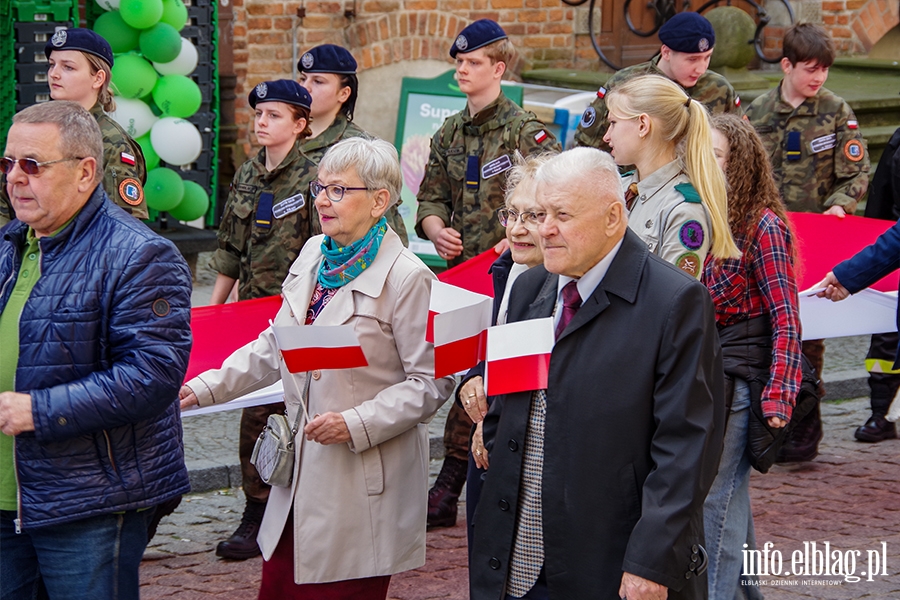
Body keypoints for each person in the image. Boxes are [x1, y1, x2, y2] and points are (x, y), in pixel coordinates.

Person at [180, 137, 455, 599]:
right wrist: (206, 388)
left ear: (380, 201)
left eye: (339, 190)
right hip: (300, 475)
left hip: (361, 478)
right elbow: (278, 343)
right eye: (319, 188)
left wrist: (355, 422)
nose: (323, 200)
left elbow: (432, 381)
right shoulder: (314, 252)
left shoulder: (408, 277)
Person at [470, 147, 725, 600]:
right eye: (541, 212)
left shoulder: (674, 302)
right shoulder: (530, 288)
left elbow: (687, 448)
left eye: (562, 215)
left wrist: (650, 561)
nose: (544, 228)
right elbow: (507, 407)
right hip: (514, 560)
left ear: (612, 217)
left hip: (608, 564)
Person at [0, 101, 192, 599]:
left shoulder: (139, 253)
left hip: (88, 500)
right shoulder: (10, 244)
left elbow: (151, 377)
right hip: (6, 495)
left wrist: (39, 410)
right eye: (8, 164)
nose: (15, 178)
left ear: (86, 172)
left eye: (32, 165)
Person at [415, 19, 560, 528]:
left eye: (473, 62)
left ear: (498, 68)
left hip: (513, 275)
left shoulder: (526, 131)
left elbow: (556, 193)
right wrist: (435, 228)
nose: (462, 70)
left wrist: (516, 231)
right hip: (461, 274)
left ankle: (454, 477)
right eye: (458, 62)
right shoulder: (449, 132)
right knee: (462, 363)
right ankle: (458, 471)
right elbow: (429, 195)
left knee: (493, 367)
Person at [747, 22, 870, 460]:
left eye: (825, 70)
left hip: (815, 241)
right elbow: (741, 173)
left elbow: (856, 171)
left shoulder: (836, 111)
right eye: (811, 68)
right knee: (765, 329)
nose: (819, 78)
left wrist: (839, 205)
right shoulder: (757, 113)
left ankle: (803, 426)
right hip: (766, 238)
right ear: (787, 65)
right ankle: (767, 422)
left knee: (808, 333)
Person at [208, 79, 317, 559]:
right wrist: (215, 311)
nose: (261, 122)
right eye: (259, 114)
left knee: (301, 416)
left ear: (300, 124)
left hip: (302, 317)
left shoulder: (316, 179)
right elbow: (231, 250)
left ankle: (298, 512)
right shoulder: (248, 175)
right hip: (253, 316)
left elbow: (326, 252)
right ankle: (256, 512)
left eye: (274, 115)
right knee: (255, 416)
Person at [702, 113, 802, 599]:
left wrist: (779, 396)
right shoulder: (703, 218)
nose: (708, 163)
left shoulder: (763, 225)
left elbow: (787, 317)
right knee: (728, 499)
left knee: (715, 503)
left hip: (744, 383)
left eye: (717, 155)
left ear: (739, 162)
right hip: (709, 376)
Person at [449, 152, 550, 550]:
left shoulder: (562, 288)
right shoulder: (510, 269)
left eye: (534, 216)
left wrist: (488, 426)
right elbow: (497, 344)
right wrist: (473, 377)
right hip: (492, 435)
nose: (518, 229)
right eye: (512, 214)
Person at [0, 28, 149, 229]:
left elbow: (122, 228)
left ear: (98, 78)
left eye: (68, 67)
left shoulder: (111, 141)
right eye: (52, 65)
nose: (54, 74)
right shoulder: (36, 128)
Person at [603, 74, 739, 279]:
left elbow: (673, 300)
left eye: (613, 123)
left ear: (642, 125)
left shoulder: (683, 210)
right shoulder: (619, 187)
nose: (606, 136)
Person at [574, 11, 742, 152]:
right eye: (692, 60)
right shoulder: (627, 83)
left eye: (707, 58)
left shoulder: (719, 88)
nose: (701, 68)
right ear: (667, 53)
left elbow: (740, 147)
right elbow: (586, 147)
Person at [296, 44, 408, 243]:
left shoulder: (359, 151)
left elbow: (387, 231)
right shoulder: (287, 141)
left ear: (344, 93)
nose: (305, 88)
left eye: (318, 81)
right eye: (303, 79)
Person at [853, 126, 900, 442]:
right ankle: (880, 411)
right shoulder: (898, 140)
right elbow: (881, 194)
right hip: (891, 248)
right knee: (885, 335)